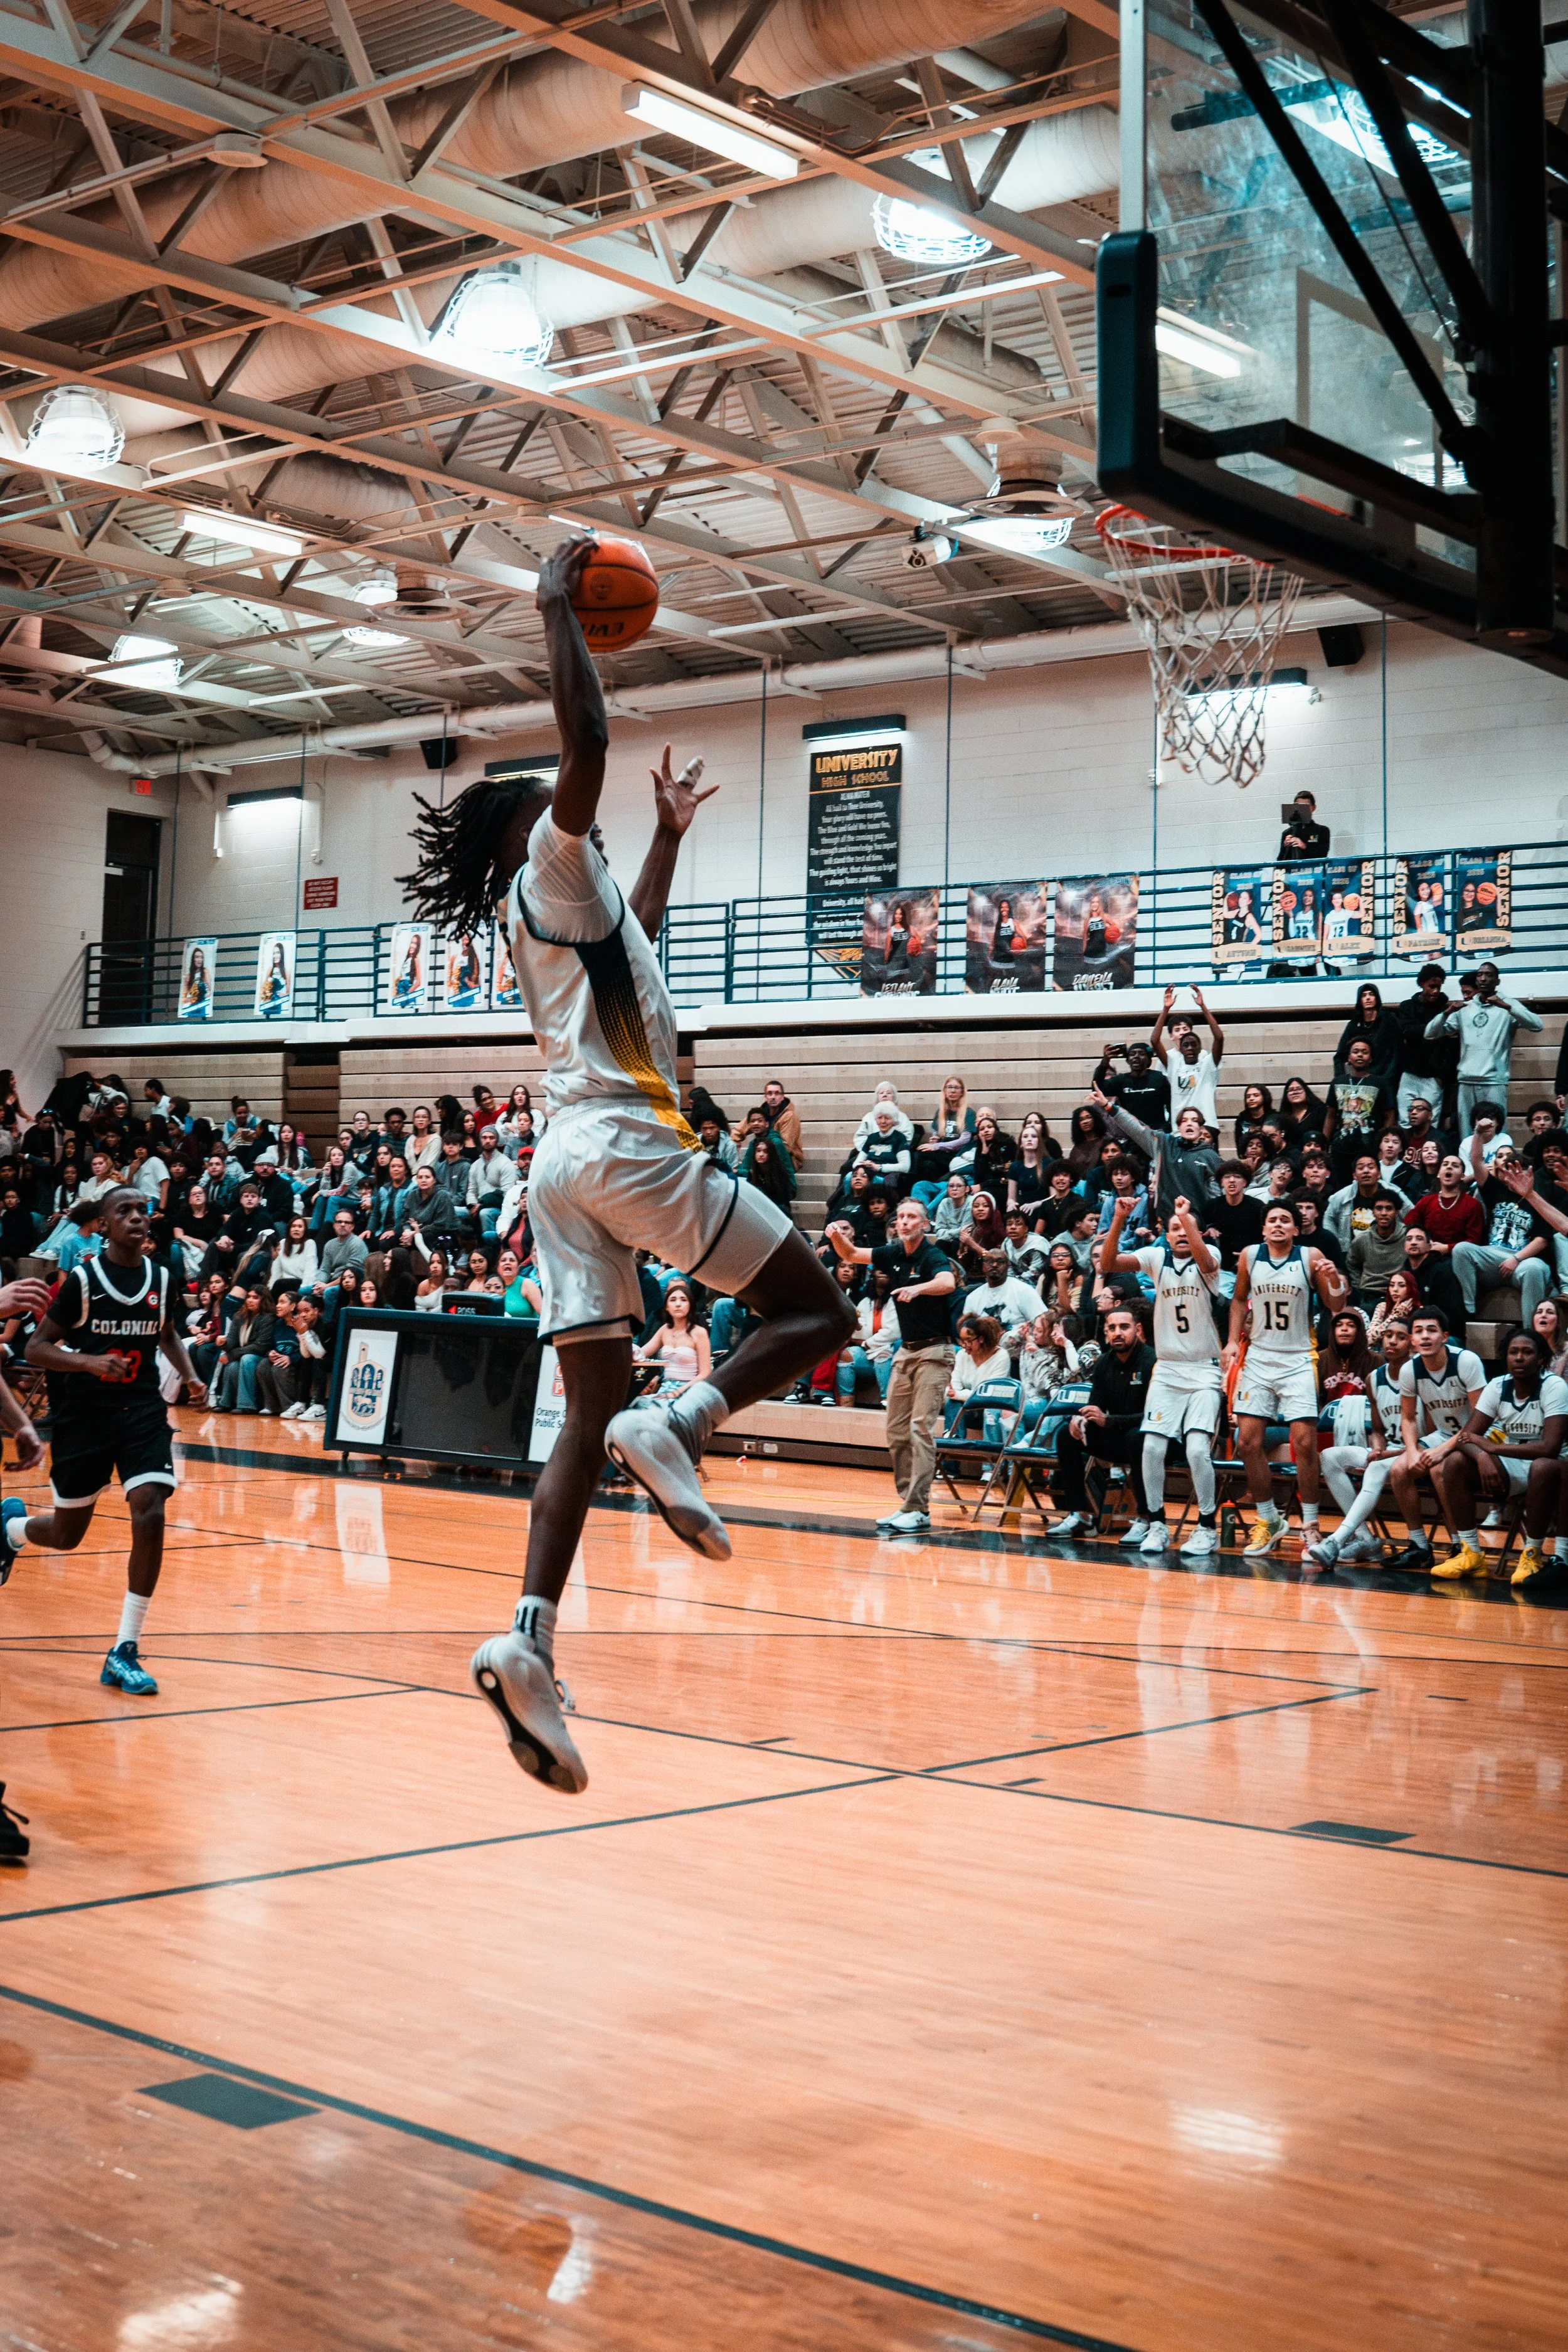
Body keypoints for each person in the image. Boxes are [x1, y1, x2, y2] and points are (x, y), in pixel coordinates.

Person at [398, 538, 851, 1791]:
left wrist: (664, 839)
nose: (572, 805)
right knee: (817, 1310)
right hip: (630, 1144)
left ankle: (529, 1644)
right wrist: (556, 608)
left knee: (582, 1413)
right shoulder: (548, 854)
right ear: (532, 827)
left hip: (561, 1167)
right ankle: (686, 1419)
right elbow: (584, 748)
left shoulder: (562, 896)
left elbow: (634, 935)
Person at [4, 1189, 201, 1694]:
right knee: (68, 1534)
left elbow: (168, 1334)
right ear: (105, 1226)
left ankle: (125, 1648)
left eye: (143, 1212)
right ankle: (13, 1529)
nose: (137, 1218)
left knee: (151, 1507)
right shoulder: (84, 1282)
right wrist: (89, 1362)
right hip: (86, 1418)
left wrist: (192, 1376)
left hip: (141, 1413)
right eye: (125, 1213)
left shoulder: (161, 1278)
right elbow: (37, 1347)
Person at [1099, 1192, 1222, 1557]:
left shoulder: (1209, 1256)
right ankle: (1156, 1523)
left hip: (1204, 1370)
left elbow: (1203, 1258)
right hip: (1167, 1369)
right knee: (1151, 1447)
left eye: (1186, 1227)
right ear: (1165, 1236)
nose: (1181, 1232)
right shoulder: (1157, 1257)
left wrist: (1186, 1218)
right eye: (1173, 1228)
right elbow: (1108, 1261)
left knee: (1199, 1450)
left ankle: (1207, 1527)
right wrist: (1120, 1219)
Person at [826, 1196, 956, 1534]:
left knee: (920, 1428)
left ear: (925, 1224)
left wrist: (919, 1289)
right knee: (896, 1431)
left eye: (912, 1217)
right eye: (901, 1217)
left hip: (934, 1352)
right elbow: (852, 1255)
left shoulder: (932, 1255)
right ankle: (908, 1505)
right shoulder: (893, 1252)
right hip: (906, 1353)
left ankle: (918, 1507)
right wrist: (835, 1235)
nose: (905, 1222)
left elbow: (948, 1283)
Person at [1225, 1201, 1347, 1556]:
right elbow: (1237, 1299)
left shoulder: (1310, 1256)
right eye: (1272, 1220)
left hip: (1297, 1358)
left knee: (1305, 1444)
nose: (1278, 1225)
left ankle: (1309, 1526)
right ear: (1263, 1229)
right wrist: (1233, 1341)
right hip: (1260, 1357)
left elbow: (1336, 1306)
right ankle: (1270, 1520)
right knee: (1247, 1442)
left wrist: (1334, 1278)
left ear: (1296, 1229)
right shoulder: (1250, 1256)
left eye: (1285, 1220)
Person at [1428, 1328, 1568, 1582]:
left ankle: (1532, 1554)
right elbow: (1465, 1437)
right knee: (1456, 1462)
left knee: (1542, 1466)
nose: (1519, 1358)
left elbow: (1550, 1448)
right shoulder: (1498, 1386)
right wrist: (1482, 1457)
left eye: (1527, 1352)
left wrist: (1493, 1448)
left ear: (1540, 1359)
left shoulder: (1554, 1386)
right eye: (1513, 1352)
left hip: (1557, 1468)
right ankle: (1471, 1553)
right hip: (1516, 1463)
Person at [1378, 1307, 1488, 1573]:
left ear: (1445, 1336)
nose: (1425, 1336)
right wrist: (1413, 1451)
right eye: (1418, 1331)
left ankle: (1460, 1545)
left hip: (1478, 1435)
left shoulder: (1467, 1362)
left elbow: (1479, 1421)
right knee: (1399, 1470)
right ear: (1413, 1340)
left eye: (1432, 1330)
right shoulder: (1409, 1370)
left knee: (1440, 1469)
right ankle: (1419, 1547)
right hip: (1444, 1434)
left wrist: (1443, 1450)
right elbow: (1408, 1419)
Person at [1309, 1315, 1416, 1569]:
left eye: (1401, 1337)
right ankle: (1366, 1539)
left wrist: (1385, 1455)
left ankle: (1336, 1540)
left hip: (1415, 1453)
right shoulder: (1375, 1378)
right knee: (1330, 1457)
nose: (1393, 1341)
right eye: (1389, 1336)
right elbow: (1378, 1428)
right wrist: (1378, 1448)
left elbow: (1427, 1439)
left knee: (1377, 1467)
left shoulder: (1421, 1377)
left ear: (1411, 1343)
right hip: (1388, 1452)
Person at [1049, 1304, 1155, 1542]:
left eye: (1124, 1327)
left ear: (1137, 1330)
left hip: (1152, 1440)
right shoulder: (1105, 1363)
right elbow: (1094, 1406)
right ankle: (1081, 1514)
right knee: (1067, 1435)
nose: (1118, 1333)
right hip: (1117, 1435)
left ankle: (1147, 1518)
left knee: (1136, 1437)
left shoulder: (1152, 1361)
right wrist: (1080, 1419)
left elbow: (1155, 1416)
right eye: (1112, 1328)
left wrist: (1109, 1421)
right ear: (1105, 1334)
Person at [1426, 963, 1543, 1131]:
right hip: (1466, 1080)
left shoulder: (1507, 1005)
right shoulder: (1465, 1008)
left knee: (1495, 1132)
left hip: (1494, 1081)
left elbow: (1537, 1025)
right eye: (1480, 974)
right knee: (1467, 1134)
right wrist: (1447, 1012)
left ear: (1497, 981)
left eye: (1488, 975)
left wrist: (1508, 1008)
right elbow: (1430, 1034)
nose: (1483, 978)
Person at [1453, 1139, 1554, 1324]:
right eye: (1511, 1171)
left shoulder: (1538, 1200)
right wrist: (1478, 1133)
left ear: (1530, 1174)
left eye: (1521, 1171)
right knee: (1461, 1249)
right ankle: (1468, 1309)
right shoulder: (1497, 1191)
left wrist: (1516, 1259)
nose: (1516, 1176)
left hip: (1522, 1260)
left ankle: (1530, 1332)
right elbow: (1476, 1162)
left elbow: (1543, 1239)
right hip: (1492, 1258)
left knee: (1535, 1268)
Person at [1152, 985, 1224, 1132]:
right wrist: (1166, 1009)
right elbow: (1154, 1040)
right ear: (1181, 1049)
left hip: (1206, 1127)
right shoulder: (1173, 1062)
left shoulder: (1207, 1062)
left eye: (1193, 1045)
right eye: (1186, 1045)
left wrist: (1202, 1006)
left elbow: (1220, 1037)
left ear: (1200, 1047)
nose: (1190, 1048)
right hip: (1180, 1129)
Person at [634, 1280, 711, 1393]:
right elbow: (640, 1354)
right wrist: (643, 1380)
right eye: (673, 1300)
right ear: (667, 1307)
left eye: (684, 1300)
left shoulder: (699, 1332)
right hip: (666, 1387)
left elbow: (705, 1373)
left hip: (689, 1389)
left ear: (690, 1304)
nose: (678, 1304)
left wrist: (678, 1392)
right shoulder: (664, 1330)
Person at [1092, 1041, 1170, 1131]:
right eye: (1132, 1054)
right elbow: (1097, 1089)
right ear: (1128, 1060)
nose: (1136, 1056)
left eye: (1142, 1054)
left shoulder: (1159, 1078)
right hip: (1131, 1134)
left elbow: (1170, 1106)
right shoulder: (1121, 1080)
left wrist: (1166, 1128)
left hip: (1157, 1133)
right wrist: (1105, 1062)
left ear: (1149, 1059)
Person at [1348, 1191, 1407, 1309]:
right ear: (1373, 1212)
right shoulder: (1362, 1240)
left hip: (1398, 1294)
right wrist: (1358, 1285)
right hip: (1367, 1294)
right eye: (1379, 1209)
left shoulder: (1408, 1237)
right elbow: (1352, 1264)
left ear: (1396, 1212)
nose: (1384, 1213)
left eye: (1389, 1209)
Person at [1278, 790, 1329, 862]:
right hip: (1292, 871)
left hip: (1313, 870)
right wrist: (1285, 847)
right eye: (1299, 807)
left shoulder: (1322, 830)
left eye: (1306, 807)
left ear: (1313, 808)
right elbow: (1280, 861)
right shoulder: (1287, 833)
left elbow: (1323, 854)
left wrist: (1304, 846)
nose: (1302, 810)